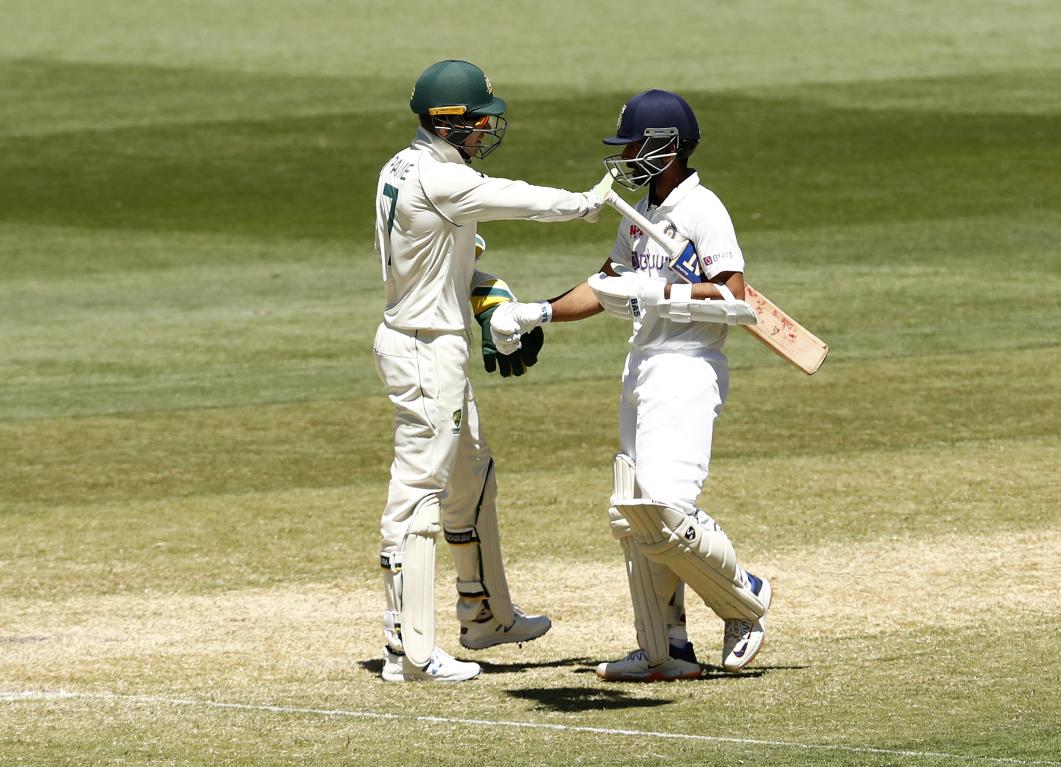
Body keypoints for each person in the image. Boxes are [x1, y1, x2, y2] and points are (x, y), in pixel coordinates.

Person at [489, 89, 771, 681]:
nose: (627, 156)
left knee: (667, 509)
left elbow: (732, 296)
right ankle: (667, 650)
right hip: (641, 366)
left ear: (667, 147)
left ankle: (744, 596)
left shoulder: (703, 210)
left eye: (636, 145)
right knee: (635, 515)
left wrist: (659, 293)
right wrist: (536, 311)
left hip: (689, 366)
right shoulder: (640, 214)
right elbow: (606, 285)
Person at [372, 59, 608, 682]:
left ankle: (486, 616)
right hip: (424, 349)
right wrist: (588, 203)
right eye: (478, 122)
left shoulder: (406, 164)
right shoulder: (441, 182)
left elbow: (453, 266)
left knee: (471, 477)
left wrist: (492, 301)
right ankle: (409, 650)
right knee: (418, 490)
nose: (485, 132)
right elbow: (517, 198)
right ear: (448, 122)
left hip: (430, 340)